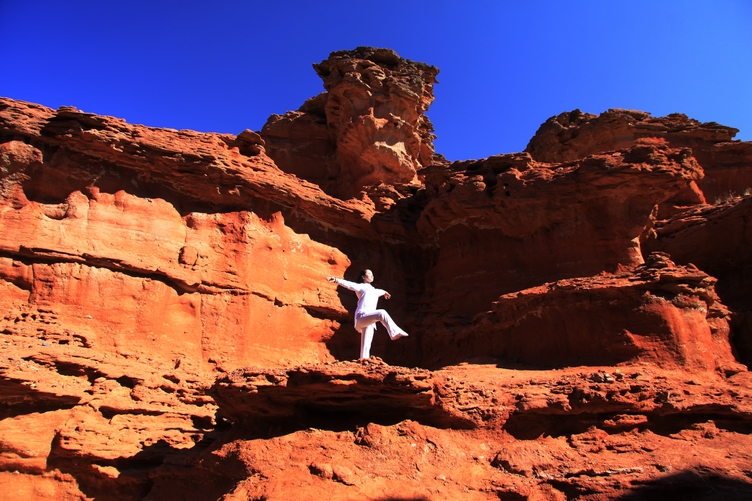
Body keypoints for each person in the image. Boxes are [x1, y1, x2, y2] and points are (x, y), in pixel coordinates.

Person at [327, 269, 408, 359]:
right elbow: (349, 285)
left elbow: (379, 291)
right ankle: (394, 332)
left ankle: (364, 361)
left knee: (366, 345)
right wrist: (336, 280)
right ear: (363, 277)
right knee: (382, 313)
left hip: (369, 321)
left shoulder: (373, 290)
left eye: (372, 274)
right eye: (369, 274)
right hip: (361, 316)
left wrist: (385, 292)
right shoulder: (361, 287)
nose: (372, 276)